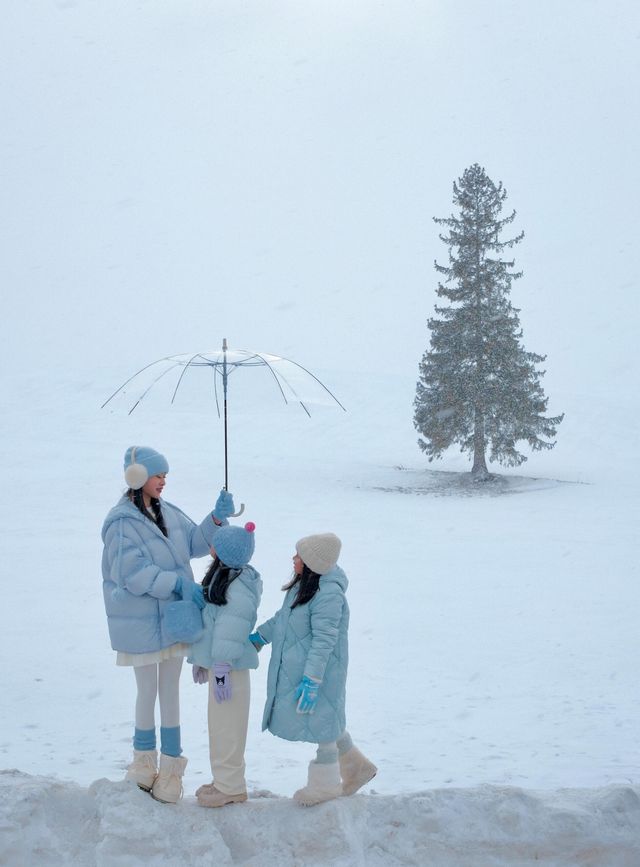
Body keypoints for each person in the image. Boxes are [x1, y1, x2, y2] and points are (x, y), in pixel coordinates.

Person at [101, 445, 235, 804]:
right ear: (138, 477)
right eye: (158, 475)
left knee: (170, 691)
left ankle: (172, 770)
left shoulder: (168, 513)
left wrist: (216, 519)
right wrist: (177, 584)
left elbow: (194, 543)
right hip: (142, 623)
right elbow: (131, 573)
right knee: (147, 691)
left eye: (165, 476)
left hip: (172, 619)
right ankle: (143, 764)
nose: (163, 482)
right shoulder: (122, 524)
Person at [250, 533, 377, 806]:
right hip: (305, 670)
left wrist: (312, 680)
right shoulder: (305, 586)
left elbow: (324, 641)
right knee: (325, 718)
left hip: (320, 672)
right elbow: (284, 619)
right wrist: (260, 637)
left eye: (299, 555)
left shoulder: (329, 594)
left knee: (323, 725)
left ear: (312, 563)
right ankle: (357, 768)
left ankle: (325, 786)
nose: (293, 558)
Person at [188, 521, 262, 808]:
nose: (210, 547)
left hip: (229, 670)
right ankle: (224, 780)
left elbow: (230, 631)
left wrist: (220, 667)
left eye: (215, 544)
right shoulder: (227, 579)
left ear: (223, 552)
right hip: (223, 667)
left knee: (228, 727)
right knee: (219, 725)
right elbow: (214, 625)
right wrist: (202, 661)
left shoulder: (237, 588)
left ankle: (231, 786)